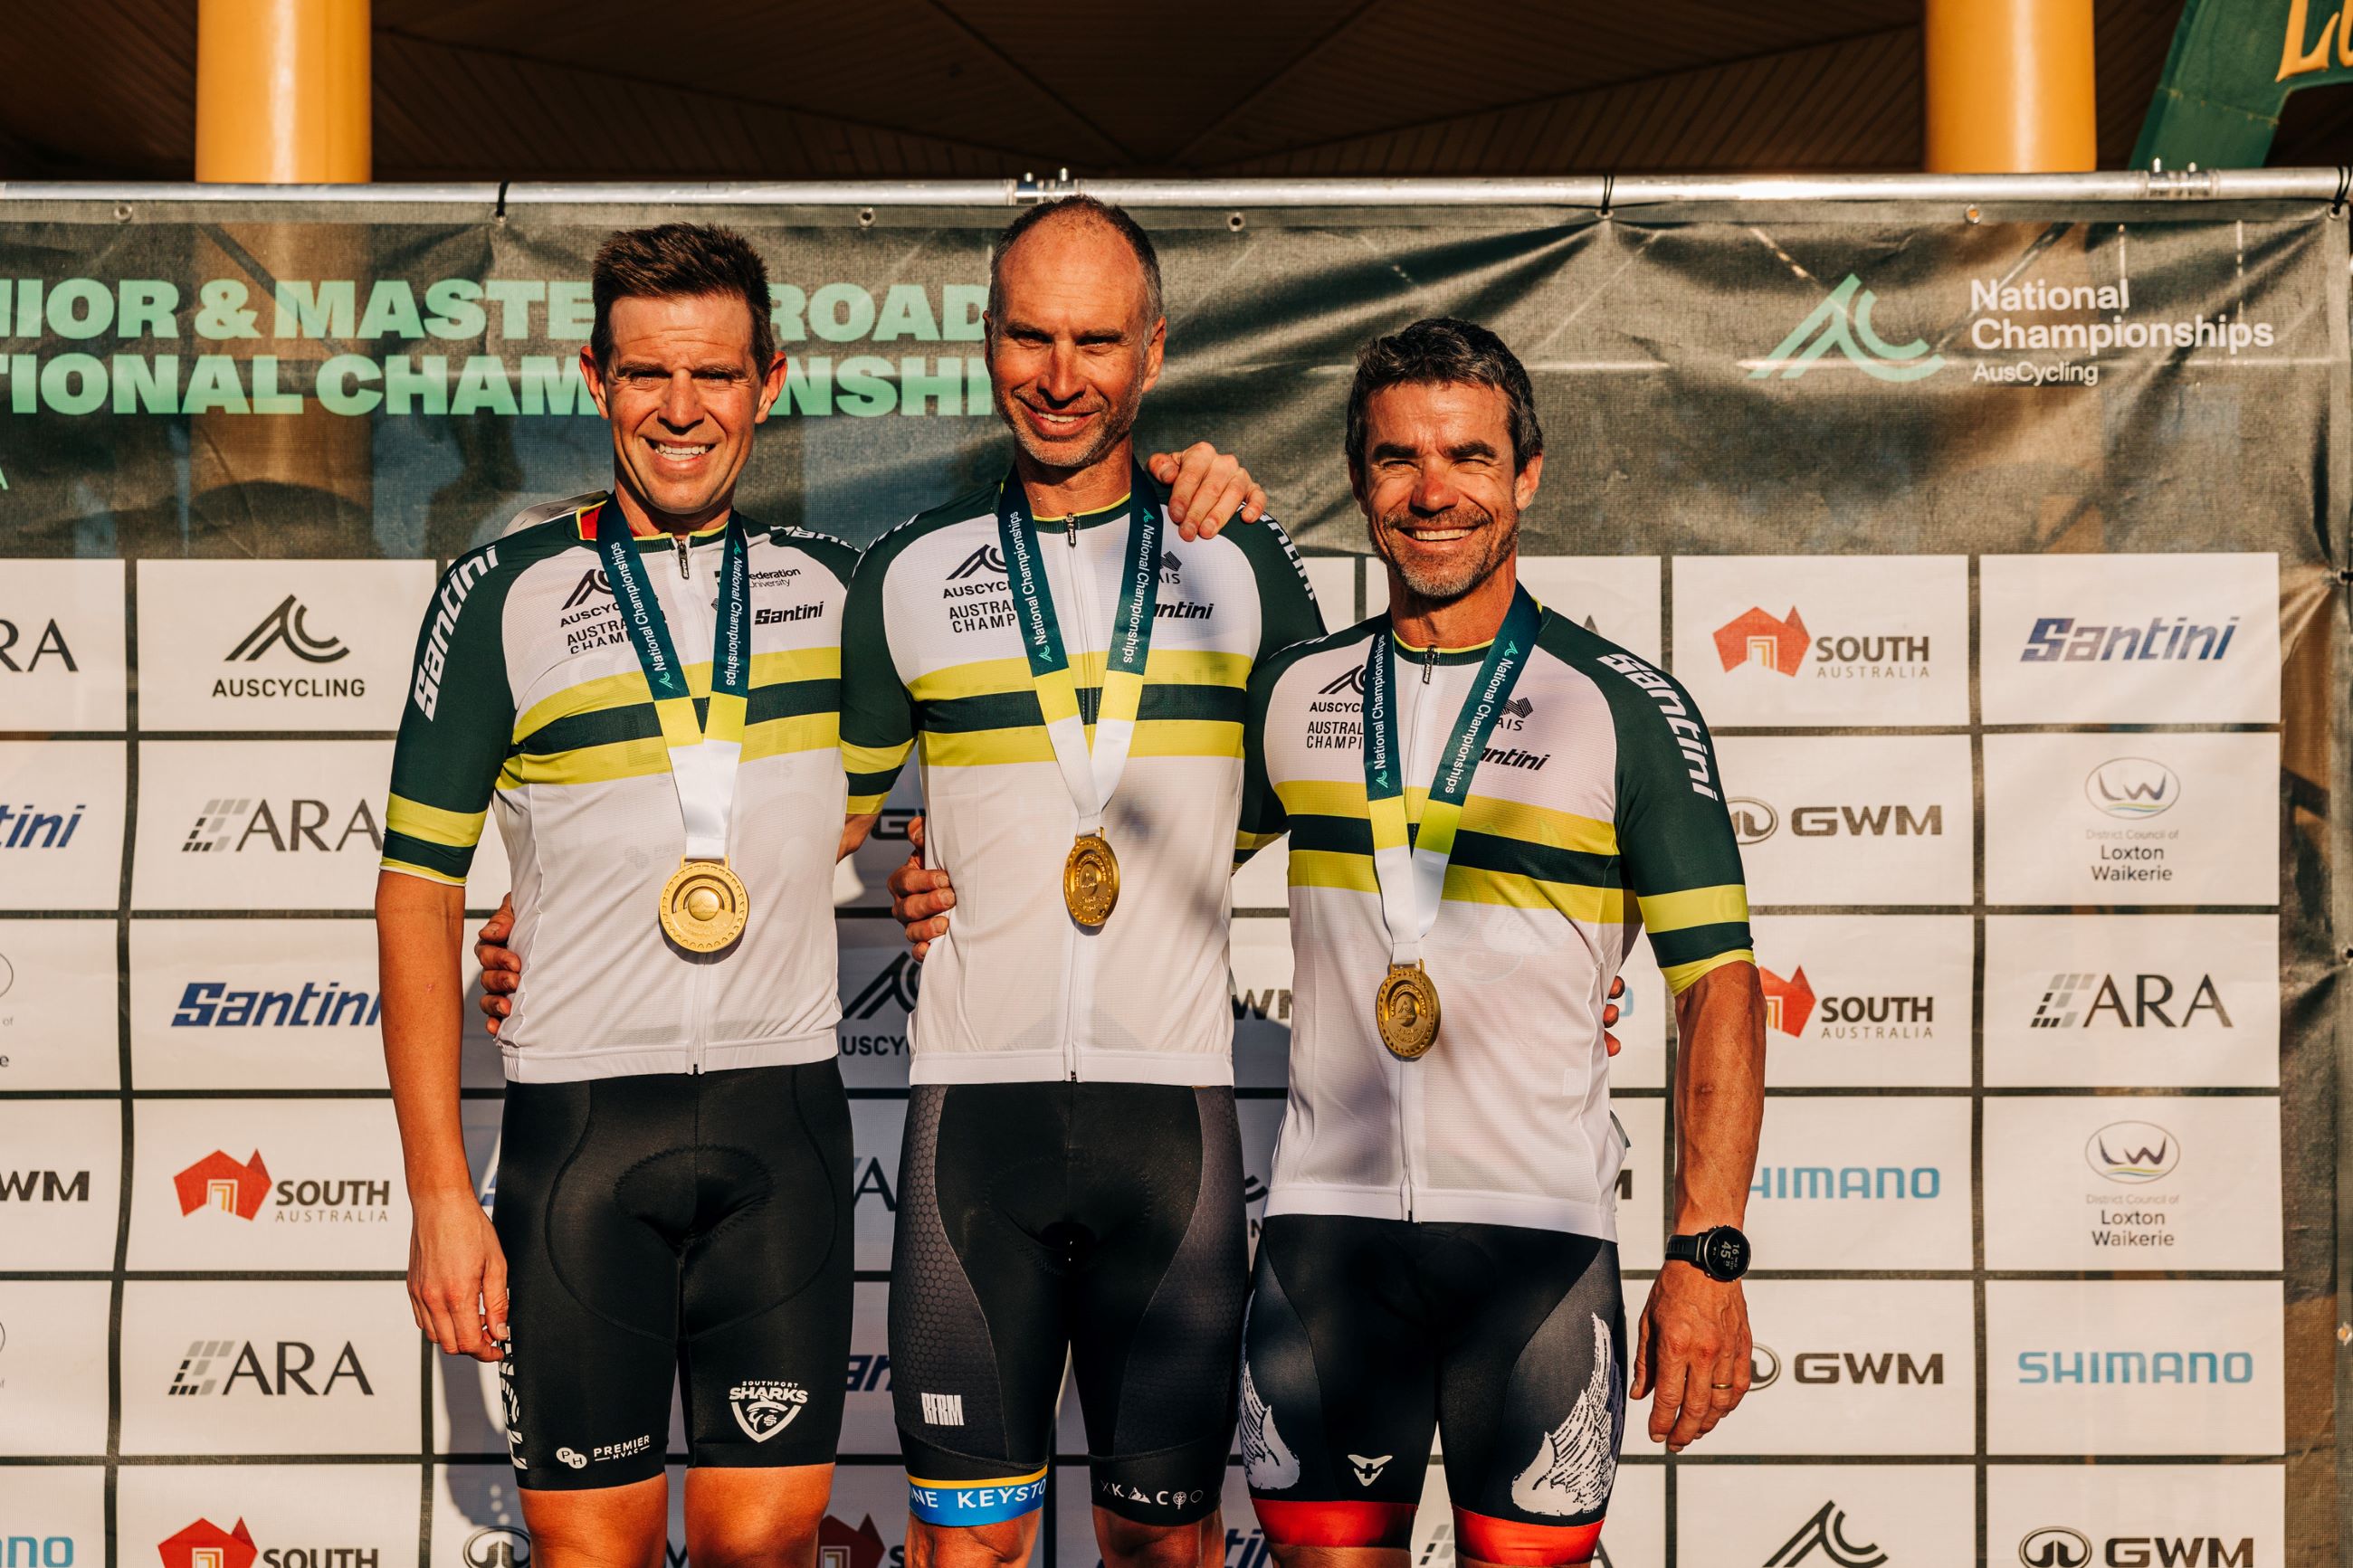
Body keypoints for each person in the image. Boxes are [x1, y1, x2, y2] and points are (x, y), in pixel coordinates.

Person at [387, 219, 1266, 1568]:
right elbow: (415, 890)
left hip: (784, 1126)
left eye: (716, 376)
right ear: (594, 378)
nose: (681, 411)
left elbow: (911, 793)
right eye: (646, 375)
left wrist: (928, 875)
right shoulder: (503, 592)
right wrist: (443, 1191)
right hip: (574, 1140)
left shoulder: (846, 590)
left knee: (770, 1550)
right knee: (589, 1556)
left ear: (771, 382)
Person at [1227, 318, 1766, 1568]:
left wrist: (1709, 1255)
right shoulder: (1299, 693)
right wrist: (943, 883)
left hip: (1535, 1244)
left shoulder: (1620, 704)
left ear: (1526, 474)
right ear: (1361, 479)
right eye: (1396, 458)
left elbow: (1721, 989)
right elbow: (1151, 871)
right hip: (1327, 1235)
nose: (1432, 493)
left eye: (1467, 457)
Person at [840, 195, 1325, 1568]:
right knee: (967, 1554)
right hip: (969, 1136)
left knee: (1157, 1550)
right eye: (1030, 336)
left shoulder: (1239, 556)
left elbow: (1366, 791)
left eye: (1097, 340)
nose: (1061, 376)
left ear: (1155, 349)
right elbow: (815, 819)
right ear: (986, 341)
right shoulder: (911, 573)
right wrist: (910, 865)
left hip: (1167, 1123)